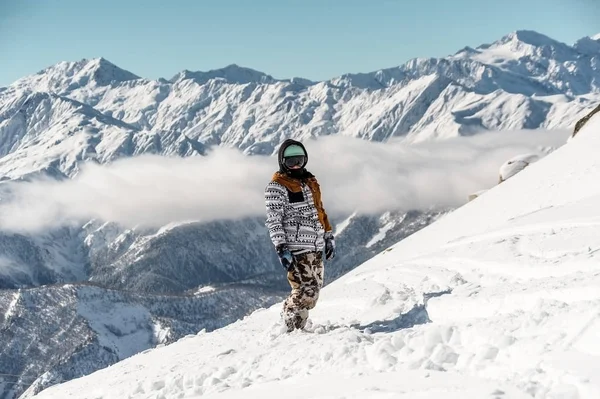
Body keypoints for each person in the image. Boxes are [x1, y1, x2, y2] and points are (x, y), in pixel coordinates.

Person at [264, 139, 336, 332]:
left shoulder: (310, 182)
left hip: (315, 244)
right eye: (290, 162)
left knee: (314, 289)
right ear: (282, 162)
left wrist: (328, 236)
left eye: (300, 160)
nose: (296, 165)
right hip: (296, 247)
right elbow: (274, 219)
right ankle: (290, 326)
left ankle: (297, 326)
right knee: (307, 291)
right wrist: (281, 247)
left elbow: (319, 210)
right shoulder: (277, 187)